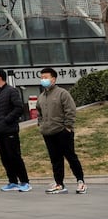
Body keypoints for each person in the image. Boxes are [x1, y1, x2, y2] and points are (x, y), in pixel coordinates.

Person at [37, 67, 87, 195]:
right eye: (41, 78)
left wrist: (68, 127)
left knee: (71, 157)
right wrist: (41, 126)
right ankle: (59, 184)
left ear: (53, 79)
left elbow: (70, 110)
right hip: (48, 132)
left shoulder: (62, 93)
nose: (43, 80)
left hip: (62, 131)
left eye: (46, 77)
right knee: (55, 159)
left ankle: (81, 182)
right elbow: (40, 113)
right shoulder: (41, 96)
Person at [0, 68, 31, 192]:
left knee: (14, 156)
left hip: (10, 130)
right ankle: (12, 181)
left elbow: (18, 108)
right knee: (4, 157)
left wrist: (7, 120)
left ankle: (25, 182)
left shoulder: (11, 91)